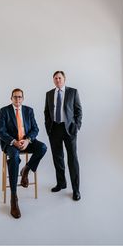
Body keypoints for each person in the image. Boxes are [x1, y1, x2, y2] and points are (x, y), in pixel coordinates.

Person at [0, 88, 47, 219]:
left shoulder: (28, 110)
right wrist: (14, 142)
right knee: (14, 157)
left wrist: (28, 140)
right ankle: (14, 197)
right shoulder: (4, 111)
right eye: (15, 97)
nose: (17, 99)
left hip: (26, 142)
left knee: (42, 147)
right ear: (11, 98)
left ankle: (26, 169)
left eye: (20, 97)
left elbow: (35, 128)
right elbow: (0, 131)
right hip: (11, 144)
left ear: (23, 98)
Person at [44, 71, 82, 201]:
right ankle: (61, 183)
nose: (58, 80)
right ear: (53, 80)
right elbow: (47, 112)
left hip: (69, 129)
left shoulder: (73, 92)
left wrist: (76, 126)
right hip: (54, 128)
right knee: (58, 158)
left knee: (72, 159)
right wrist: (48, 127)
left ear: (64, 79)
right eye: (55, 78)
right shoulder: (49, 94)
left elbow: (78, 111)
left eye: (60, 78)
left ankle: (76, 189)